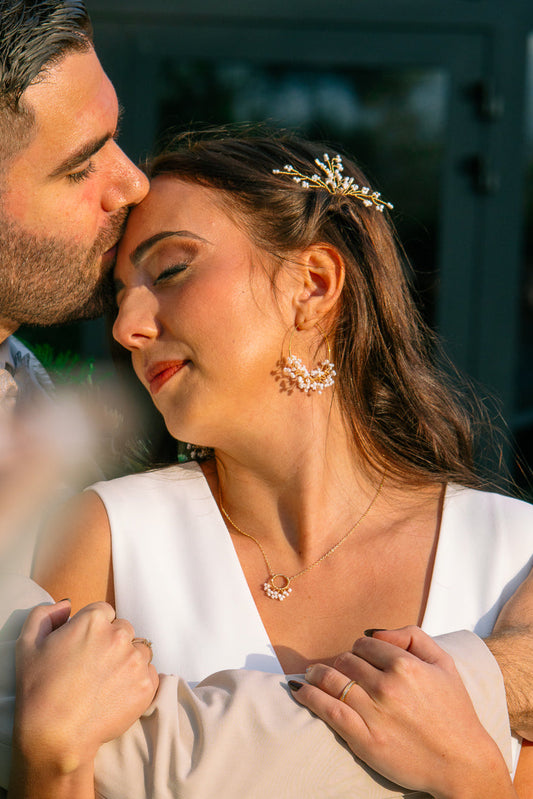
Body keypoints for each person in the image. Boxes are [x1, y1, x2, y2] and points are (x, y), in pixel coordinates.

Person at [0, 2, 532, 796]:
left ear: (313, 283)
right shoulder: (105, 534)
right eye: (80, 165)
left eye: (172, 268)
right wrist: (488, 689)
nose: (129, 328)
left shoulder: (514, 557)